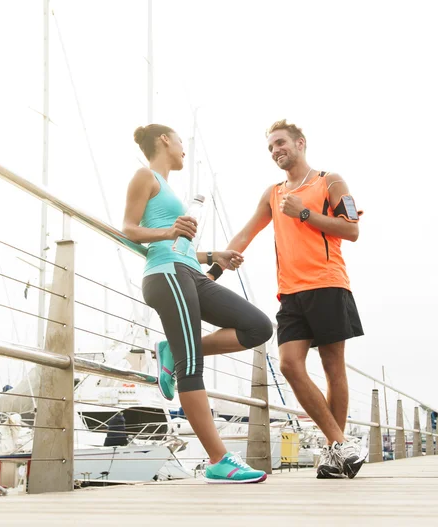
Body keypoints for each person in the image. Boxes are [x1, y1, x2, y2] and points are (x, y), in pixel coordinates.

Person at [207, 119, 366, 479]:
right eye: (270, 147)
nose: (276, 150)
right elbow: (247, 232)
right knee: (290, 364)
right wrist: (213, 273)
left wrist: (305, 213)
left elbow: (352, 230)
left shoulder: (330, 180)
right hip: (290, 292)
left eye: (280, 143)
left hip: (327, 284)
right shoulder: (273, 193)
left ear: (300, 143)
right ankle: (341, 444)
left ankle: (331, 452)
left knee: (332, 368)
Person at [122, 123, 273, 483]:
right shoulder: (144, 176)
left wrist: (211, 255)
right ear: (164, 140)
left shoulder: (168, 188)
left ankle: (171, 351)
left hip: (190, 270)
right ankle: (218, 460)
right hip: (166, 273)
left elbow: (179, 242)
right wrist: (169, 231)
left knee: (259, 327)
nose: (182, 148)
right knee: (193, 368)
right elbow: (129, 228)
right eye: (178, 141)